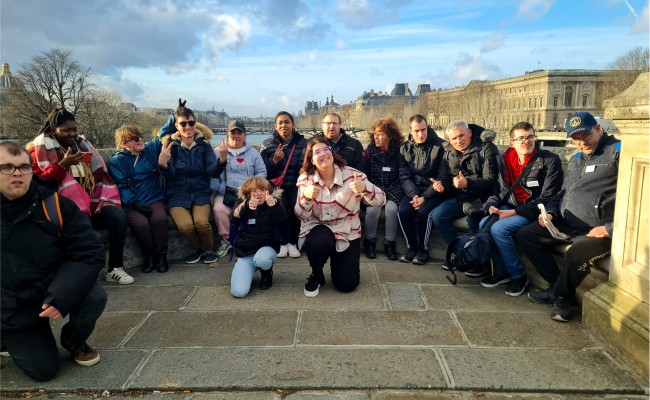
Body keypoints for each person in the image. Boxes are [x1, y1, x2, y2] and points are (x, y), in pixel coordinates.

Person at [1, 141, 107, 381]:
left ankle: (73, 338)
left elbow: (89, 252)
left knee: (94, 296)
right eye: (7, 167)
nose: (17, 173)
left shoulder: (55, 205)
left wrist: (62, 294)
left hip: (50, 287)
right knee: (44, 371)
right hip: (12, 303)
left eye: (23, 167)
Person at [517, 112, 620, 322]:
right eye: (576, 139)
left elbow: (639, 200)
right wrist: (552, 213)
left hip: (596, 230)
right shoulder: (576, 159)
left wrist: (610, 228)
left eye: (586, 136)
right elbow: (562, 193)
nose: (582, 143)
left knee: (575, 253)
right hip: (565, 223)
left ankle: (562, 298)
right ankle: (557, 286)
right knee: (525, 235)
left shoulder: (618, 153)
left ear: (599, 129)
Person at [29, 108, 133, 285]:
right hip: (63, 209)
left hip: (91, 204)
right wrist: (63, 165)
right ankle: (80, 276)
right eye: (66, 130)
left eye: (74, 129)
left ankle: (115, 268)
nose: (72, 133)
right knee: (81, 227)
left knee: (118, 217)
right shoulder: (39, 149)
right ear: (53, 129)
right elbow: (40, 181)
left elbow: (97, 175)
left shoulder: (81, 144)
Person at [479, 122, 563, 296]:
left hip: (533, 211)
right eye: (521, 138)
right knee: (483, 223)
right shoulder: (504, 159)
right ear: (512, 143)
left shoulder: (550, 160)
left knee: (500, 229)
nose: (527, 141)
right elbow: (500, 191)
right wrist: (491, 206)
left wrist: (513, 212)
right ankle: (502, 272)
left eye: (530, 137)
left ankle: (518, 276)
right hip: (510, 206)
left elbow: (548, 197)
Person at [295, 136, 386, 297]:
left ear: (332, 152)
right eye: (317, 152)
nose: (323, 154)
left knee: (347, 285)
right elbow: (301, 215)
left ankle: (337, 261)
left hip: (347, 229)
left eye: (326, 149)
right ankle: (317, 273)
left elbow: (380, 200)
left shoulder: (353, 174)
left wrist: (365, 187)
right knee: (317, 242)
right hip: (319, 226)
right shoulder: (306, 179)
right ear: (311, 159)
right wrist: (306, 198)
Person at [429, 120, 499, 276]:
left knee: (473, 219)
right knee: (438, 216)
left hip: (483, 198)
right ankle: (463, 254)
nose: (458, 141)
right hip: (460, 198)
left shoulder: (486, 148)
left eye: (461, 136)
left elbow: (491, 180)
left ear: (470, 133)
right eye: (454, 138)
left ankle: (479, 263)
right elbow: (446, 180)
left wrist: (467, 183)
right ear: (449, 140)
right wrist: (441, 187)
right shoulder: (448, 152)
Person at [158, 99, 223, 264]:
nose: (188, 127)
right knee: (186, 226)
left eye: (191, 123)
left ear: (195, 124)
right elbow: (170, 176)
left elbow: (211, 171)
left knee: (202, 223)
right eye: (183, 124)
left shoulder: (204, 147)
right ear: (177, 126)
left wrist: (222, 161)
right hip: (177, 194)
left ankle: (208, 250)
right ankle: (197, 249)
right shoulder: (170, 146)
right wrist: (163, 165)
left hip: (200, 192)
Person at [108, 125, 169, 273]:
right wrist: (134, 203)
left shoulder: (148, 150)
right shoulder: (117, 161)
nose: (140, 140)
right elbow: (121, 186)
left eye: (140, 135)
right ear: (124, 144)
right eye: (135, 138)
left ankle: (161, 256)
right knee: (141, 225)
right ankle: (149, 256)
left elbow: (163, 133)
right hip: (132, 203)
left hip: (153, 197)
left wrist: (175, 116)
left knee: (159, 219)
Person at [211, 120, 267, 258]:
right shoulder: (217, 152)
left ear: (244, 135)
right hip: (225, 192)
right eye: (233, 132)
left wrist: (250, 189)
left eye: (239, 132)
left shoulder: (253, 153)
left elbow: (261, 172)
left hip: (247, 193)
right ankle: (226, 239)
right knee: (218, 210)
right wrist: (222, 188)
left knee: (251, 210)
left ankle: (247, 238)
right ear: (227, 134)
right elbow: (211, 176)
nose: (236, 136)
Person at [397, 114, 447, 265]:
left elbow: (442, 178)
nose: (420, 134)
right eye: (417, 131)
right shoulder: (404, 148)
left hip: (433, 191)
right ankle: (411, 247)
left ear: (428, 128)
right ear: (410, 130)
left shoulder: (440, 147)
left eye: (423, 130)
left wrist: (424, 197)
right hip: (414, 191)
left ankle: (422, 249)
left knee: (425, 212)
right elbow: (404, 176)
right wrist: (415, 195)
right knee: (403, 211)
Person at [229, 177, 287, 297]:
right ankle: (245, 268)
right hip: (246, 252)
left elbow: (283, 218)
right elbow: (234, 215)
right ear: (248, 192)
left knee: (262, 259)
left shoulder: (273, 201)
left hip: (267, 249)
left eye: (262, 190)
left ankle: (266, 272)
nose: (258, 194)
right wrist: (246, 206)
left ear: (268, 191)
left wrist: (275, 205)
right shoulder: (242, 202)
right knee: (238, 292)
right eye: (254, 191)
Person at [260, 111, 307, 258]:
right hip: (276, 186)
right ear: (275, 126)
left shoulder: (303, 143)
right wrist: (274, 161)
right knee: (277, 207)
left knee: (296, 207)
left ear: (293, 125)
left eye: (287, 122)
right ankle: (281, 242)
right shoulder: (267, 144)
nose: (283, 125)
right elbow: (262, 171)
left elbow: (308, 165)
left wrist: (304, 167)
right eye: (280, 123)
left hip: (296, 184)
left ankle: (292, 242)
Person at [363, 117, 406, 260]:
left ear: (390, 136)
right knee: (372, 210)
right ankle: (369, 243)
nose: (376, 137)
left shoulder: (399, 152)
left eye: (380, 134)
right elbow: (365, 175)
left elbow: (402, 175)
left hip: (394, 188)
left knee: (392, 210)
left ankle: (390, 244)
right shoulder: (369, 152)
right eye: (375, 134)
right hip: (375, 188)